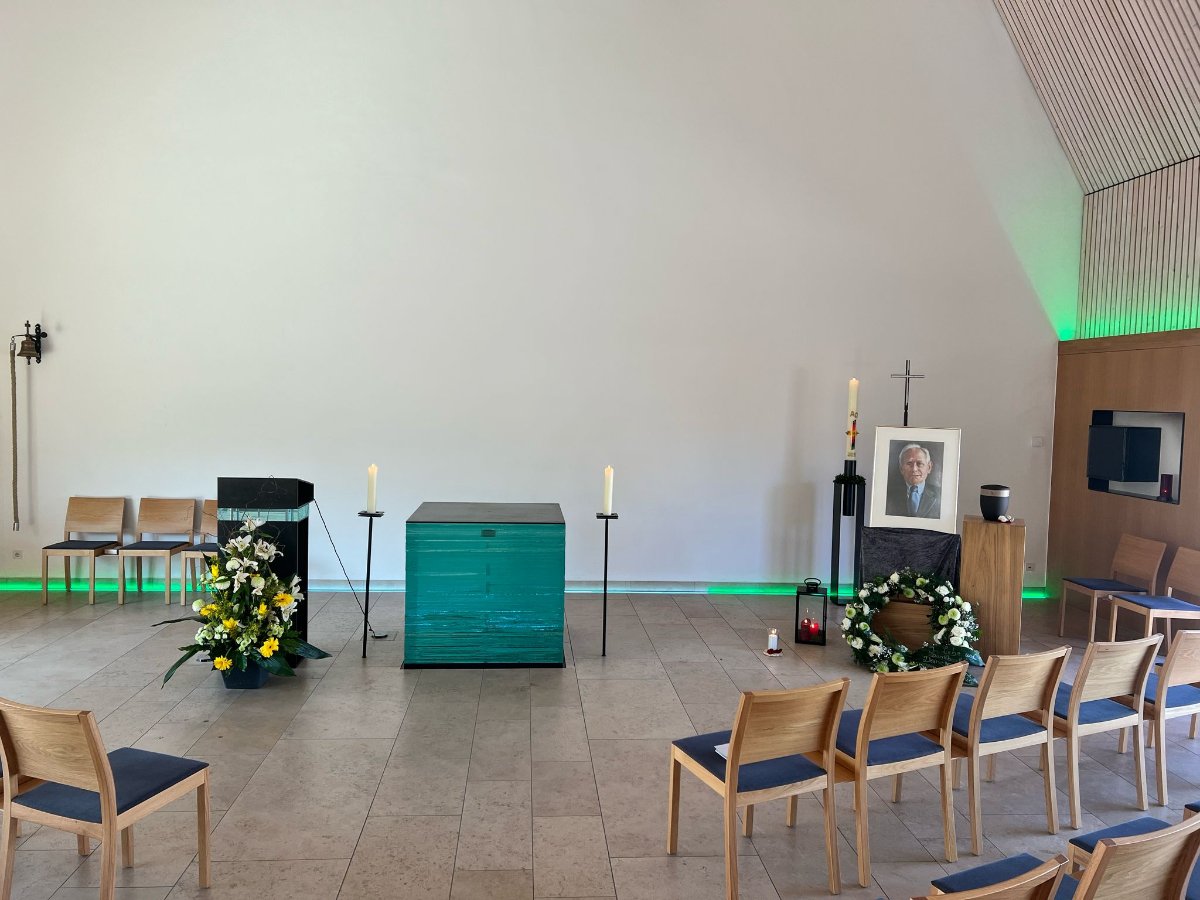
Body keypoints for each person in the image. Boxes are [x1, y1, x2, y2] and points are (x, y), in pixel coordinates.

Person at [886, 443, 941, 518]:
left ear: (929, 467)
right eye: (909, 463)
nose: (914, 469)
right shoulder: (888, 495)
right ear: (901, 468)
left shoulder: (940, 494)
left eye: (919, 463)